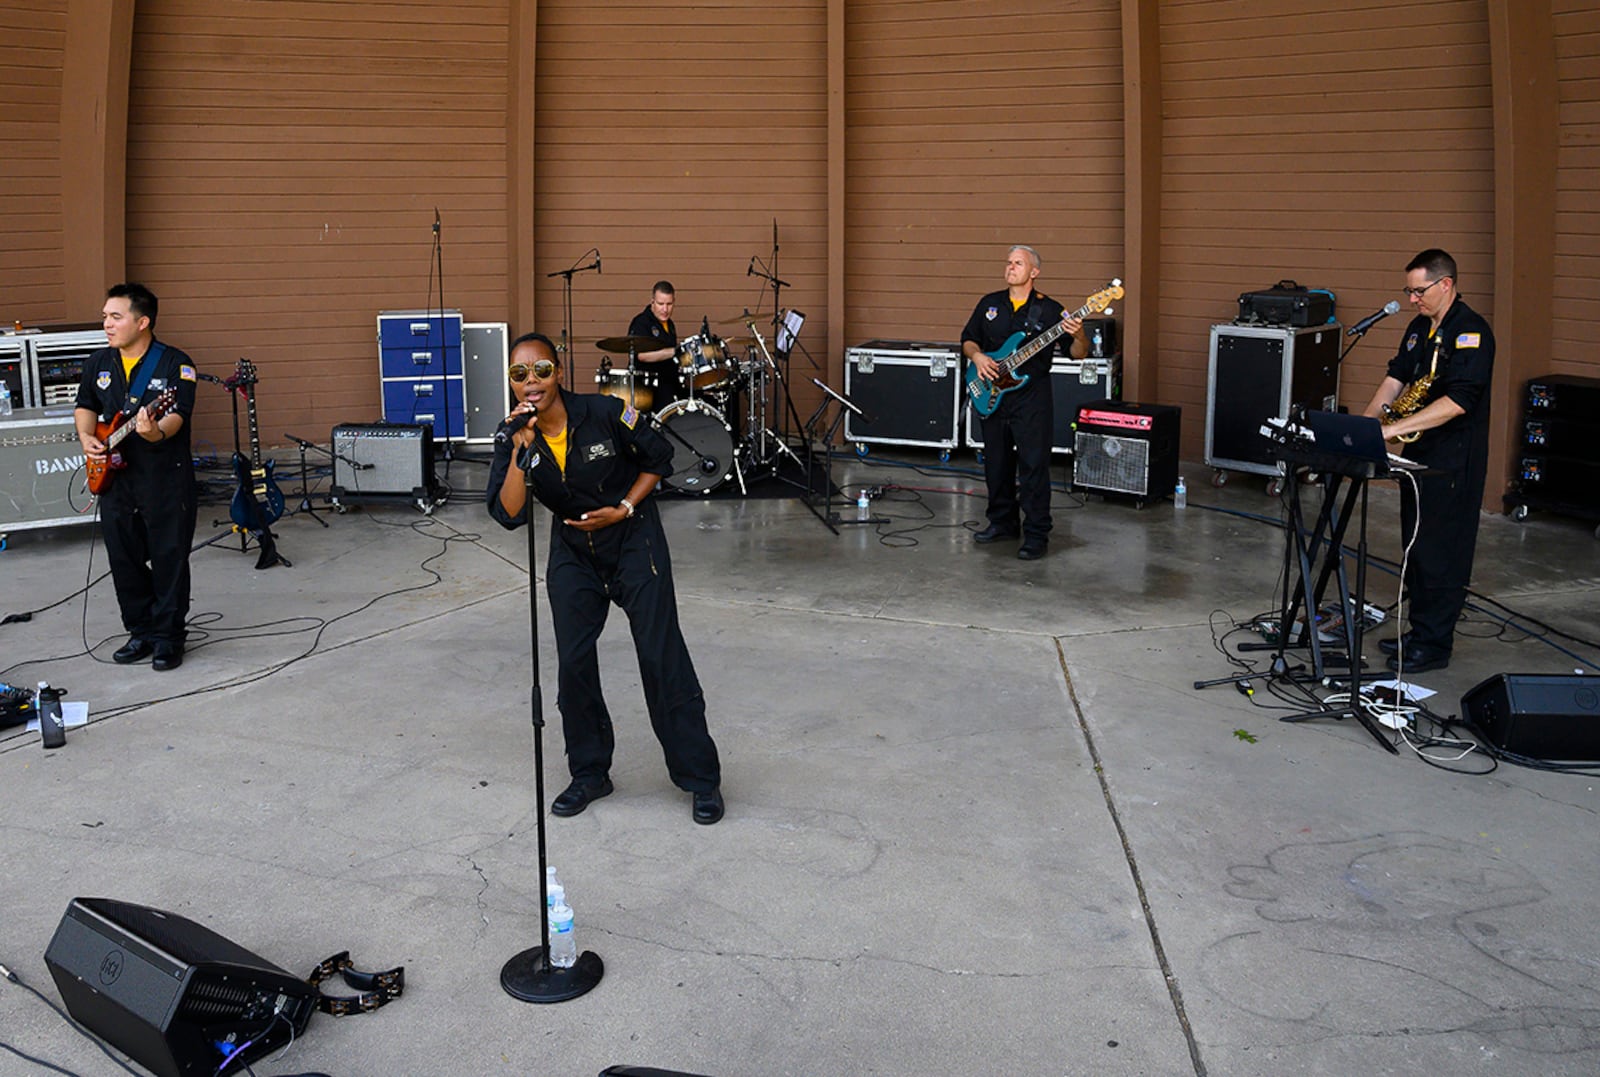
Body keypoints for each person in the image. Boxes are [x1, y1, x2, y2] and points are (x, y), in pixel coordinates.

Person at [486, 332, 724, 824]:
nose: (531, 382)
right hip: (574, 552)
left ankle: (699, 778)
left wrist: (624, 508)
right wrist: (519, 450)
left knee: (661, 657)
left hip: (634, 541)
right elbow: (509, 513)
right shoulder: (513, 435)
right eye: (519, 375)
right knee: (573, 664)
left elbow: (659, 458)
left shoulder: (606, 412)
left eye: (541, 371)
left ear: (558, 371)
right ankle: (590, 773)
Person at [1360, 249, 1494, 674]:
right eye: (1409, 291)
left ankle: (1434, 644)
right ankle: (1420, 630)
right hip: (1419, 453)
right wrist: (1366, 428)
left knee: (1443, 551)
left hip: (1454, 458)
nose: (1412, 299)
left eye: (1419, 291)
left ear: (1446, 284)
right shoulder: (1420, 328)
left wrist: (1389, 431)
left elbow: (1458, 402)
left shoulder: (1472, 332)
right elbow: (1395, 379)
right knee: (1416, 544)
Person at [74, 283, 200, 671]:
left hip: (164, 478)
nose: (107, 324)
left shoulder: (177, 364)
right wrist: (85, 438)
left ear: (142, 322)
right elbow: (85, 405)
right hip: (116, 480)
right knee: (124, 559)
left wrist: (155, 432)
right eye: (105, 316)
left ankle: (168, 638)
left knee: (168, 558)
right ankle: (140, 632)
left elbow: (177, 415)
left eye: (116, 317)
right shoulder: (99, 362)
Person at [961, 245, 1087, 560]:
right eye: (1008, 262)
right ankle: (1002, 523)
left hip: (1032, 399)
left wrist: (1081, 333)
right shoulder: (989, 303)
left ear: (1034, 272)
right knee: (997, 464)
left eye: (1018, 263)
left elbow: (1077, 352)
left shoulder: (1051, 311)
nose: (1011, 267)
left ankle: (1036, 534)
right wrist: (977, 356)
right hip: (992, 394)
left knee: (1033, 466)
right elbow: (968, 339)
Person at [626, 281, 681, 408]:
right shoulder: (641, 322)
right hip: (646, 388)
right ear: (652, 302)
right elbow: (642, 356)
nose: (665, 309)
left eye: (669, 304)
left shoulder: (670, 325)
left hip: (668, 383)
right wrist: (675, 351)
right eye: (661, 304)